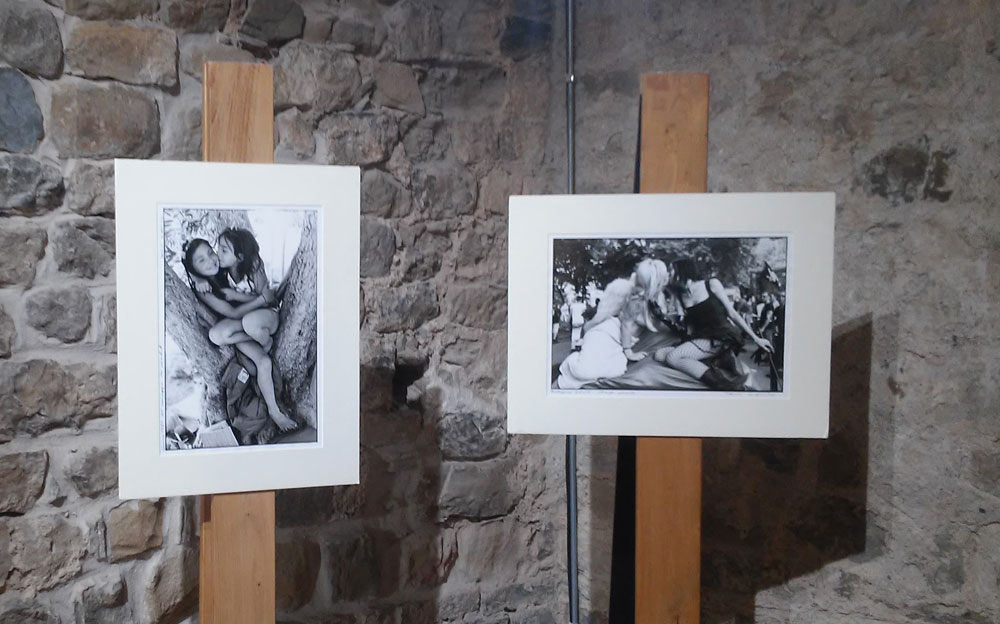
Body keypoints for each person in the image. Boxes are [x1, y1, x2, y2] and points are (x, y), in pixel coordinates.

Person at [181, 238, 297, 433]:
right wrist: (259, 299)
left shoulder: (229, 264)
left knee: (248, 323)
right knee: (222, 338)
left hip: (265, 318)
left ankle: (264, 338)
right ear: (193, 269)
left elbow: (264, 289)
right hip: (244, 325)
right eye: (201, 261)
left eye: (210, 252)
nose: (210, 260)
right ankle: (275, 412)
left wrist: (263, 298)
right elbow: (233, 313)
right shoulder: (204, 288)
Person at [656, 257, 772, 390]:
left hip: (720, 336)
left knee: (673, 357)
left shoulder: (711, 284)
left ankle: (727, 385)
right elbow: (689, 325)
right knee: (659, 355)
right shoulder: (680, 294)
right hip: (700, 337)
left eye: (671, 272)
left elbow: (732, 313)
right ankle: (714, 361)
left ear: (682, 271)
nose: (668, 275)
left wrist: (756, 339)